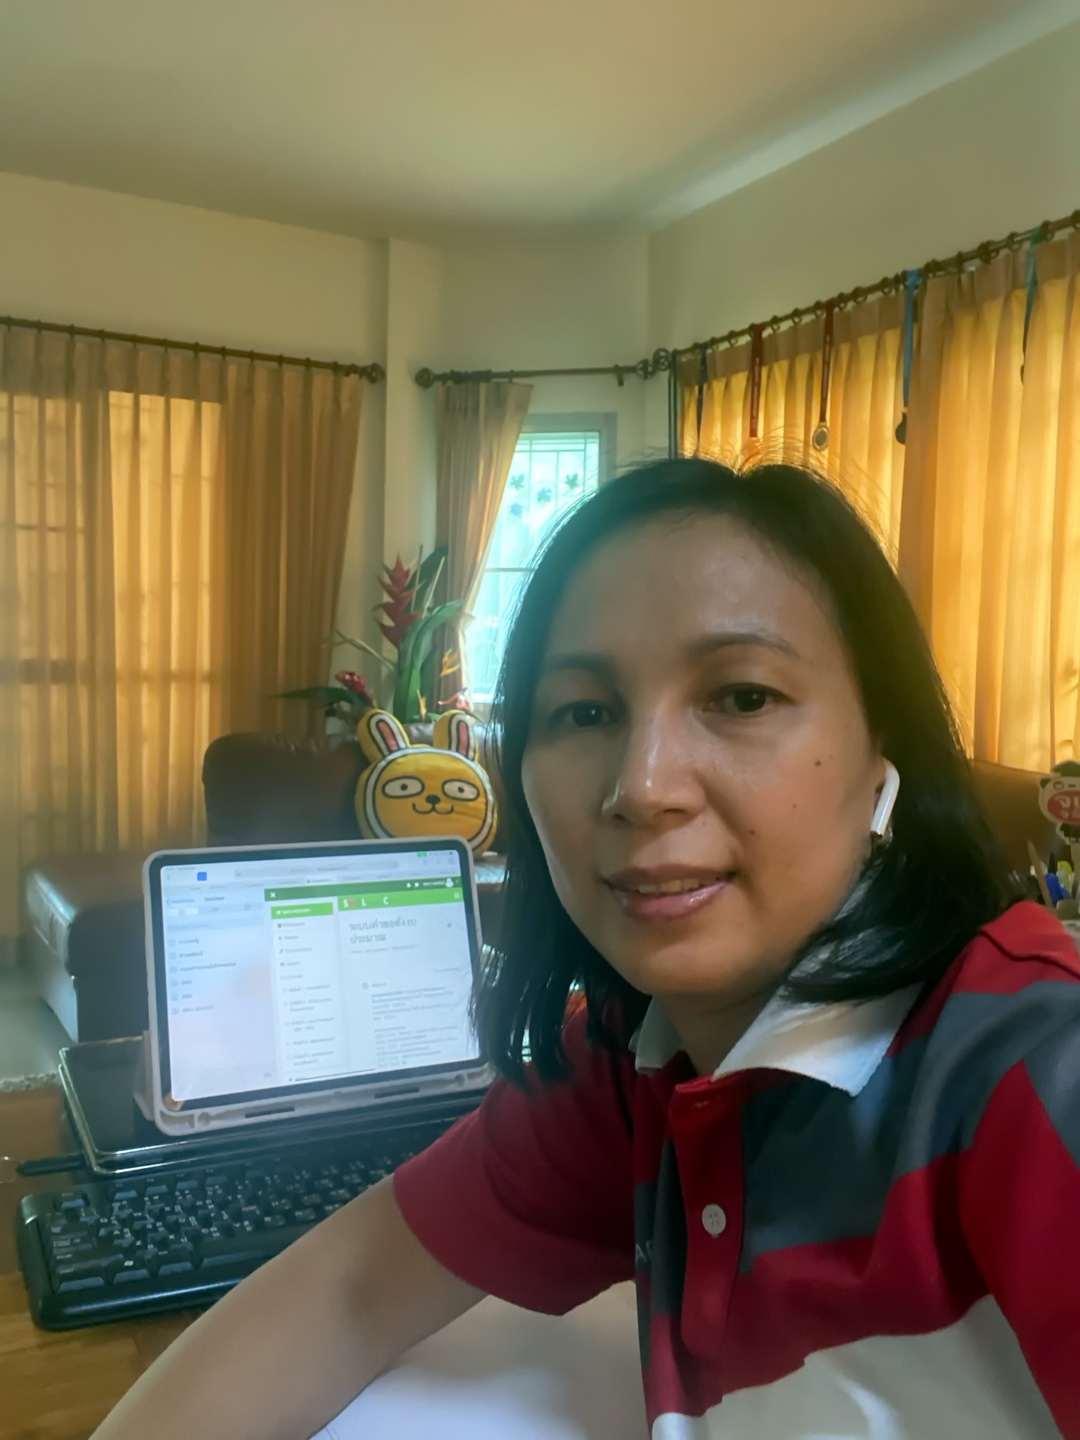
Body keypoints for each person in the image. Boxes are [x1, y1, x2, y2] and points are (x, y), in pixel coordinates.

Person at [94, 459, 1080, 1440]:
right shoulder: (631, 1063)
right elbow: (352, 1288)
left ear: (881, 754)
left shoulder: (1033, 1069)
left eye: (742, 697)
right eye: (585, 712)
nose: (642, 786)